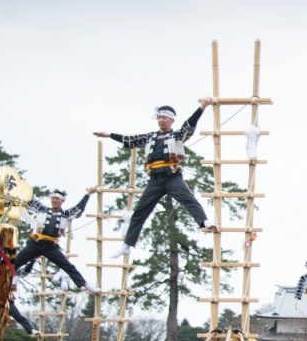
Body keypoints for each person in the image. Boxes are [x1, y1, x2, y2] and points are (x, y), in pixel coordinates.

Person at [93, 100, 218, 258]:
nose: (161, 120)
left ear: (171, 120)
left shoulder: (177, 135)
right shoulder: (150, 137)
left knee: (188, 199)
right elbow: (130, 140)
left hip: (172, 175)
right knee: (140, 211)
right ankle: (127, 245)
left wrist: (202, 107)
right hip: (155, 179)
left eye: (164, 118)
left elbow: (189, 125)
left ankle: (204, 222)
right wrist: (110, 135)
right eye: (159, 117)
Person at [16, 188, 97, 293]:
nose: (54, 200)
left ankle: (85, 284)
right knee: (16, 261)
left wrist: (88, 194)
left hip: (50, 246)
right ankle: (10, 278)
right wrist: (19, 188)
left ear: (62, 201)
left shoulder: (66, 215)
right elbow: (30, 199)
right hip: (35, 242)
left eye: (57, 199)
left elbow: (79, 209)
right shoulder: (42, 209)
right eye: (53, 198)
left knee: (68, 266)